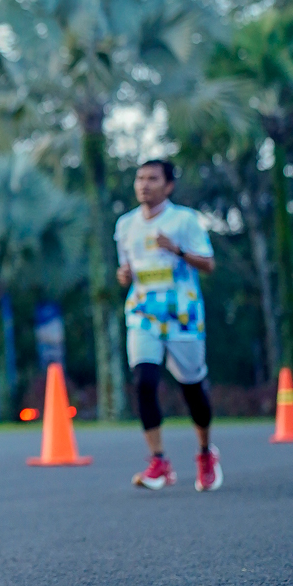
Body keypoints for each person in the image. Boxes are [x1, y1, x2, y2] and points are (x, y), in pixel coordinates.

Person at [115, 159, 221, 491]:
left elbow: (208, 264)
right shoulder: (125, 225)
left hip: (182, 315)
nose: (144, 185)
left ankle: (205, 452)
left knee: (192, 388)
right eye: (140, 178)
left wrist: (176, 250)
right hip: (143, 313)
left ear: (169, 186)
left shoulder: (184, 220)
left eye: (152, 179)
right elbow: (126, 271)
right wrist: (124, 276)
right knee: (144, 382)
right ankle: (158, 461)